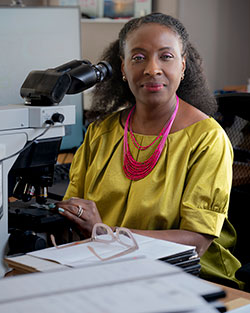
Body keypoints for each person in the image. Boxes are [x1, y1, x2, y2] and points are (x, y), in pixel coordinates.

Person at [55, 13, 243, 289]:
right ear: (123, 67)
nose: (152, 69)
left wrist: (106, 234)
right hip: (106, 271)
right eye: (139, 58)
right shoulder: (100, 134)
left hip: (187, 279)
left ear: (183, 65)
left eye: (166, 56)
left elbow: (197, 242)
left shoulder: (207, 139)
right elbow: (74, 212)